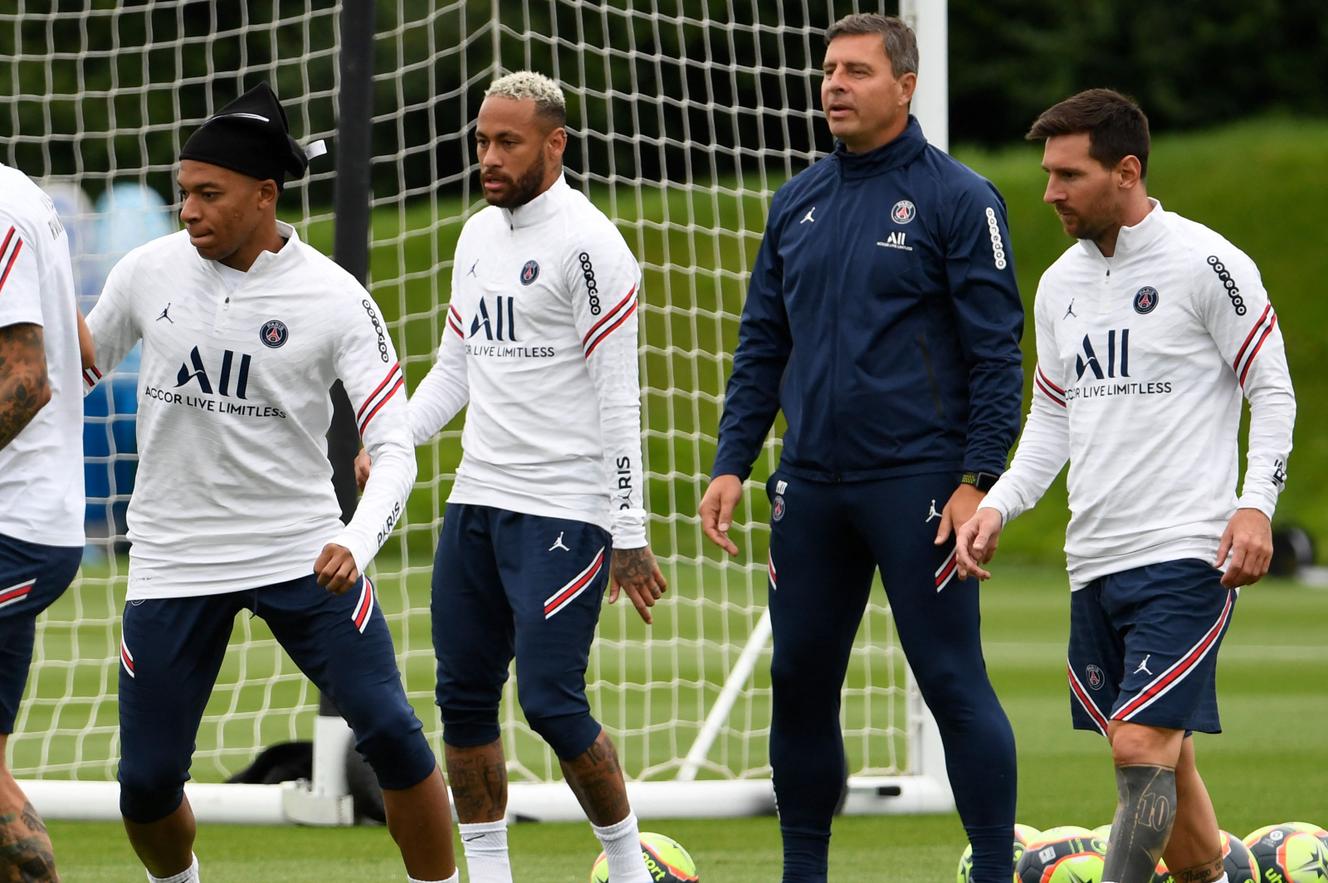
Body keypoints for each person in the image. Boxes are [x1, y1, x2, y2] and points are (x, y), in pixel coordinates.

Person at [84, 83, 458, 883]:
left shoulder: (336, 299)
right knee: (145, 784)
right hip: (173, 556)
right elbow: (67, 371)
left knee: (392, 731)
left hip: (301, 548)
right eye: (182, 192)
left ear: (265, 195)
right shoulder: (146, 271)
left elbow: (394, 444)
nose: (186, 209)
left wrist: (355, 540)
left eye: (206, 193)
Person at [696, 13, 1023, 883]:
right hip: (809, 487)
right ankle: (804, 871)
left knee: (951, 680)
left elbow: (997, 354)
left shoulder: (960, 198)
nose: (834, 84)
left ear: (905, 86)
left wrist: (977, 479)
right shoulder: (796, 200)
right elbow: (763, 341)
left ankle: (995, 867)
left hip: (917, 486)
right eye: (829, 70)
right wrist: (732, 459)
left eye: (856, 71)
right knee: (800, 679)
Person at [955, 89, 1296, 883]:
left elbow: (1271, 390)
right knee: (1165, 761)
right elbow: (1049, 420)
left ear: (1128, 171)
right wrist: (1000, 502)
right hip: (1094, 558)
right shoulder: (1059, 285)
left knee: (1140, 748)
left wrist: (1256, 504)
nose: (1049, 193)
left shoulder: (1207, 263)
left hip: (1187, 548)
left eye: (1068, 175)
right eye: (1047, 174)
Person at [357, 70, 668, 883]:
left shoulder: (592, 243)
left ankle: (630, 868)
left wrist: (628, 531)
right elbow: (454, 370)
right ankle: (489, 876)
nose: (488, 158)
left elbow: (619, 396)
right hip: (475, 504)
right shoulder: (475, 236)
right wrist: (392, 436)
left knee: (551, 701)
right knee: (461, 703)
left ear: (555, 144)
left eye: (508, 142)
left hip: (564, 510)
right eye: (482, 141)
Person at [0, 160, 89, 882]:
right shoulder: (22, 193)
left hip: (12, 529)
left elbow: (27, 381)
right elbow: (81, 348)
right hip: (32, 517)